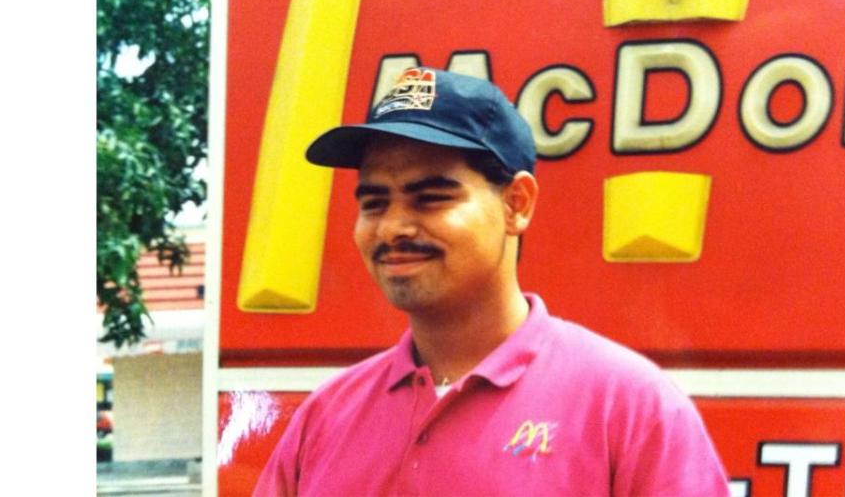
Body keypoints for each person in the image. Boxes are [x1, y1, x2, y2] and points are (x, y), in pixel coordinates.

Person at [252, 67, 731, 496]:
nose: (393, 227)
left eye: (431, 197)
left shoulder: (629, 410)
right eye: (374, 203)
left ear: (517, 204)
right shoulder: (326, 419)